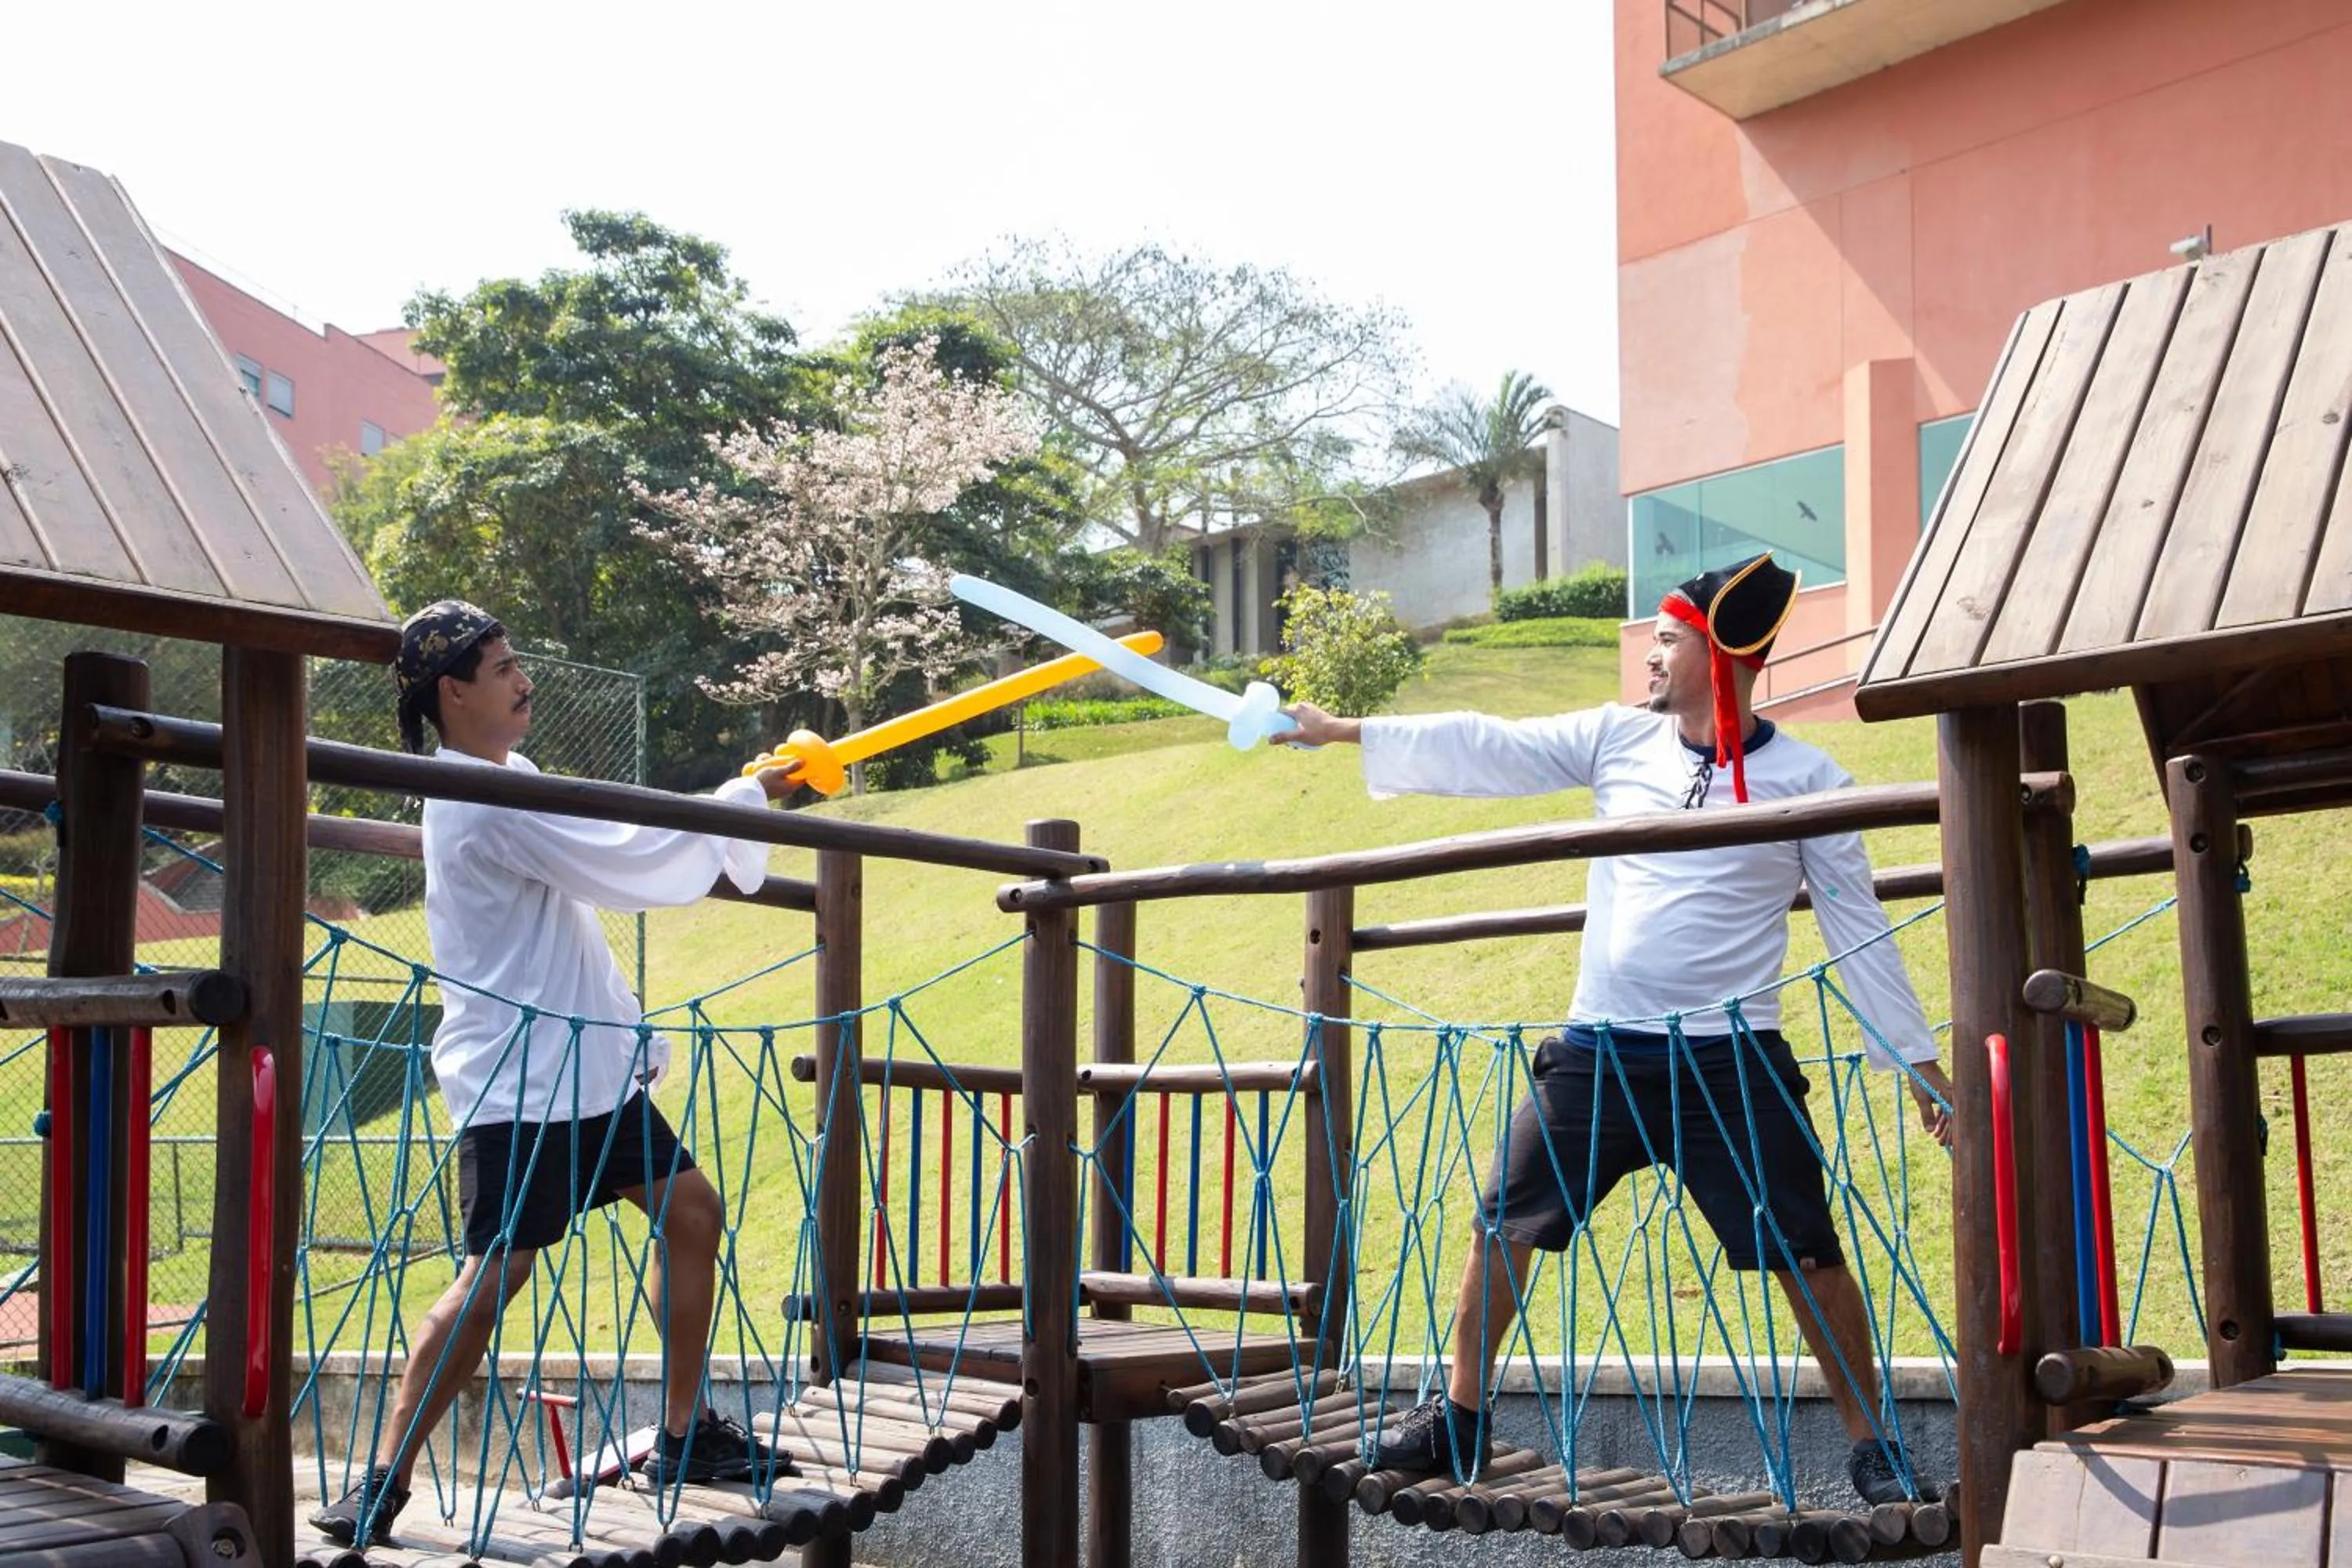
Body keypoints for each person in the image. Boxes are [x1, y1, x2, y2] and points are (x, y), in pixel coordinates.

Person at [1276, 553, 1955, 1508]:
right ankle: (1459, 1416)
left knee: (1806, 1247)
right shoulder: (1613, 741)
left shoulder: (1812, 778)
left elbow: (1858, 924)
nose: (1649, 656)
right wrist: (1343, 729)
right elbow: (1487, 745)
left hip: (1731, 1061)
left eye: (1667, 639)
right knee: (1502, 1220)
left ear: (1719, 654)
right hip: (1598, 1053)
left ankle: (1875, 1441)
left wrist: (1918, 1063)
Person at [314, 601, 796, 1545]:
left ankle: (689, 1430)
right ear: (453, 693)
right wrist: (742, 797)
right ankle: (385, 1478)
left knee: (692, 1210)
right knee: (493, 1283)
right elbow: (621, 856)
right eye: (499, 668)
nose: (522, 678)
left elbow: (600, 842)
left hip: (587, 1072)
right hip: (526, 1087)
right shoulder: (477, 800)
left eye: (515, 659)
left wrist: (737, 797)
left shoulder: (511, 775)